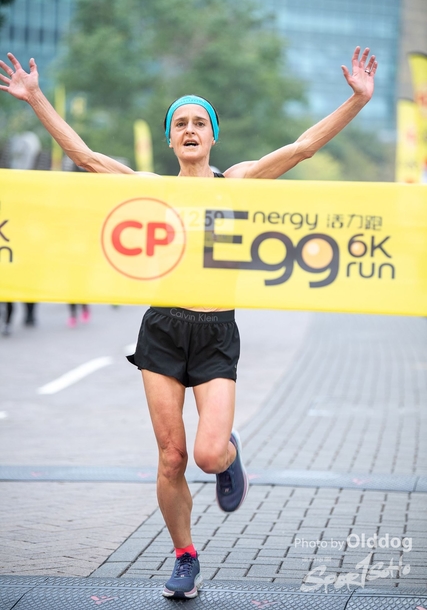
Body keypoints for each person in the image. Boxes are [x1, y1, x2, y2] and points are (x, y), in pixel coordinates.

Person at [0, 47, 377, 598]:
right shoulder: (153, 187)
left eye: (200, 122)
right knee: (172, 457)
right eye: (181, 124)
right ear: (171, 139)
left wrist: (357, 101)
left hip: (216, 332)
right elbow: (85, 157)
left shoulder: (238, 181)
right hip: (162, 331)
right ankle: (185, 556)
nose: (191, 129)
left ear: (213, 136)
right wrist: (35, 97)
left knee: (207, 454)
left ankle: (229, 455)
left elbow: (302, 148)